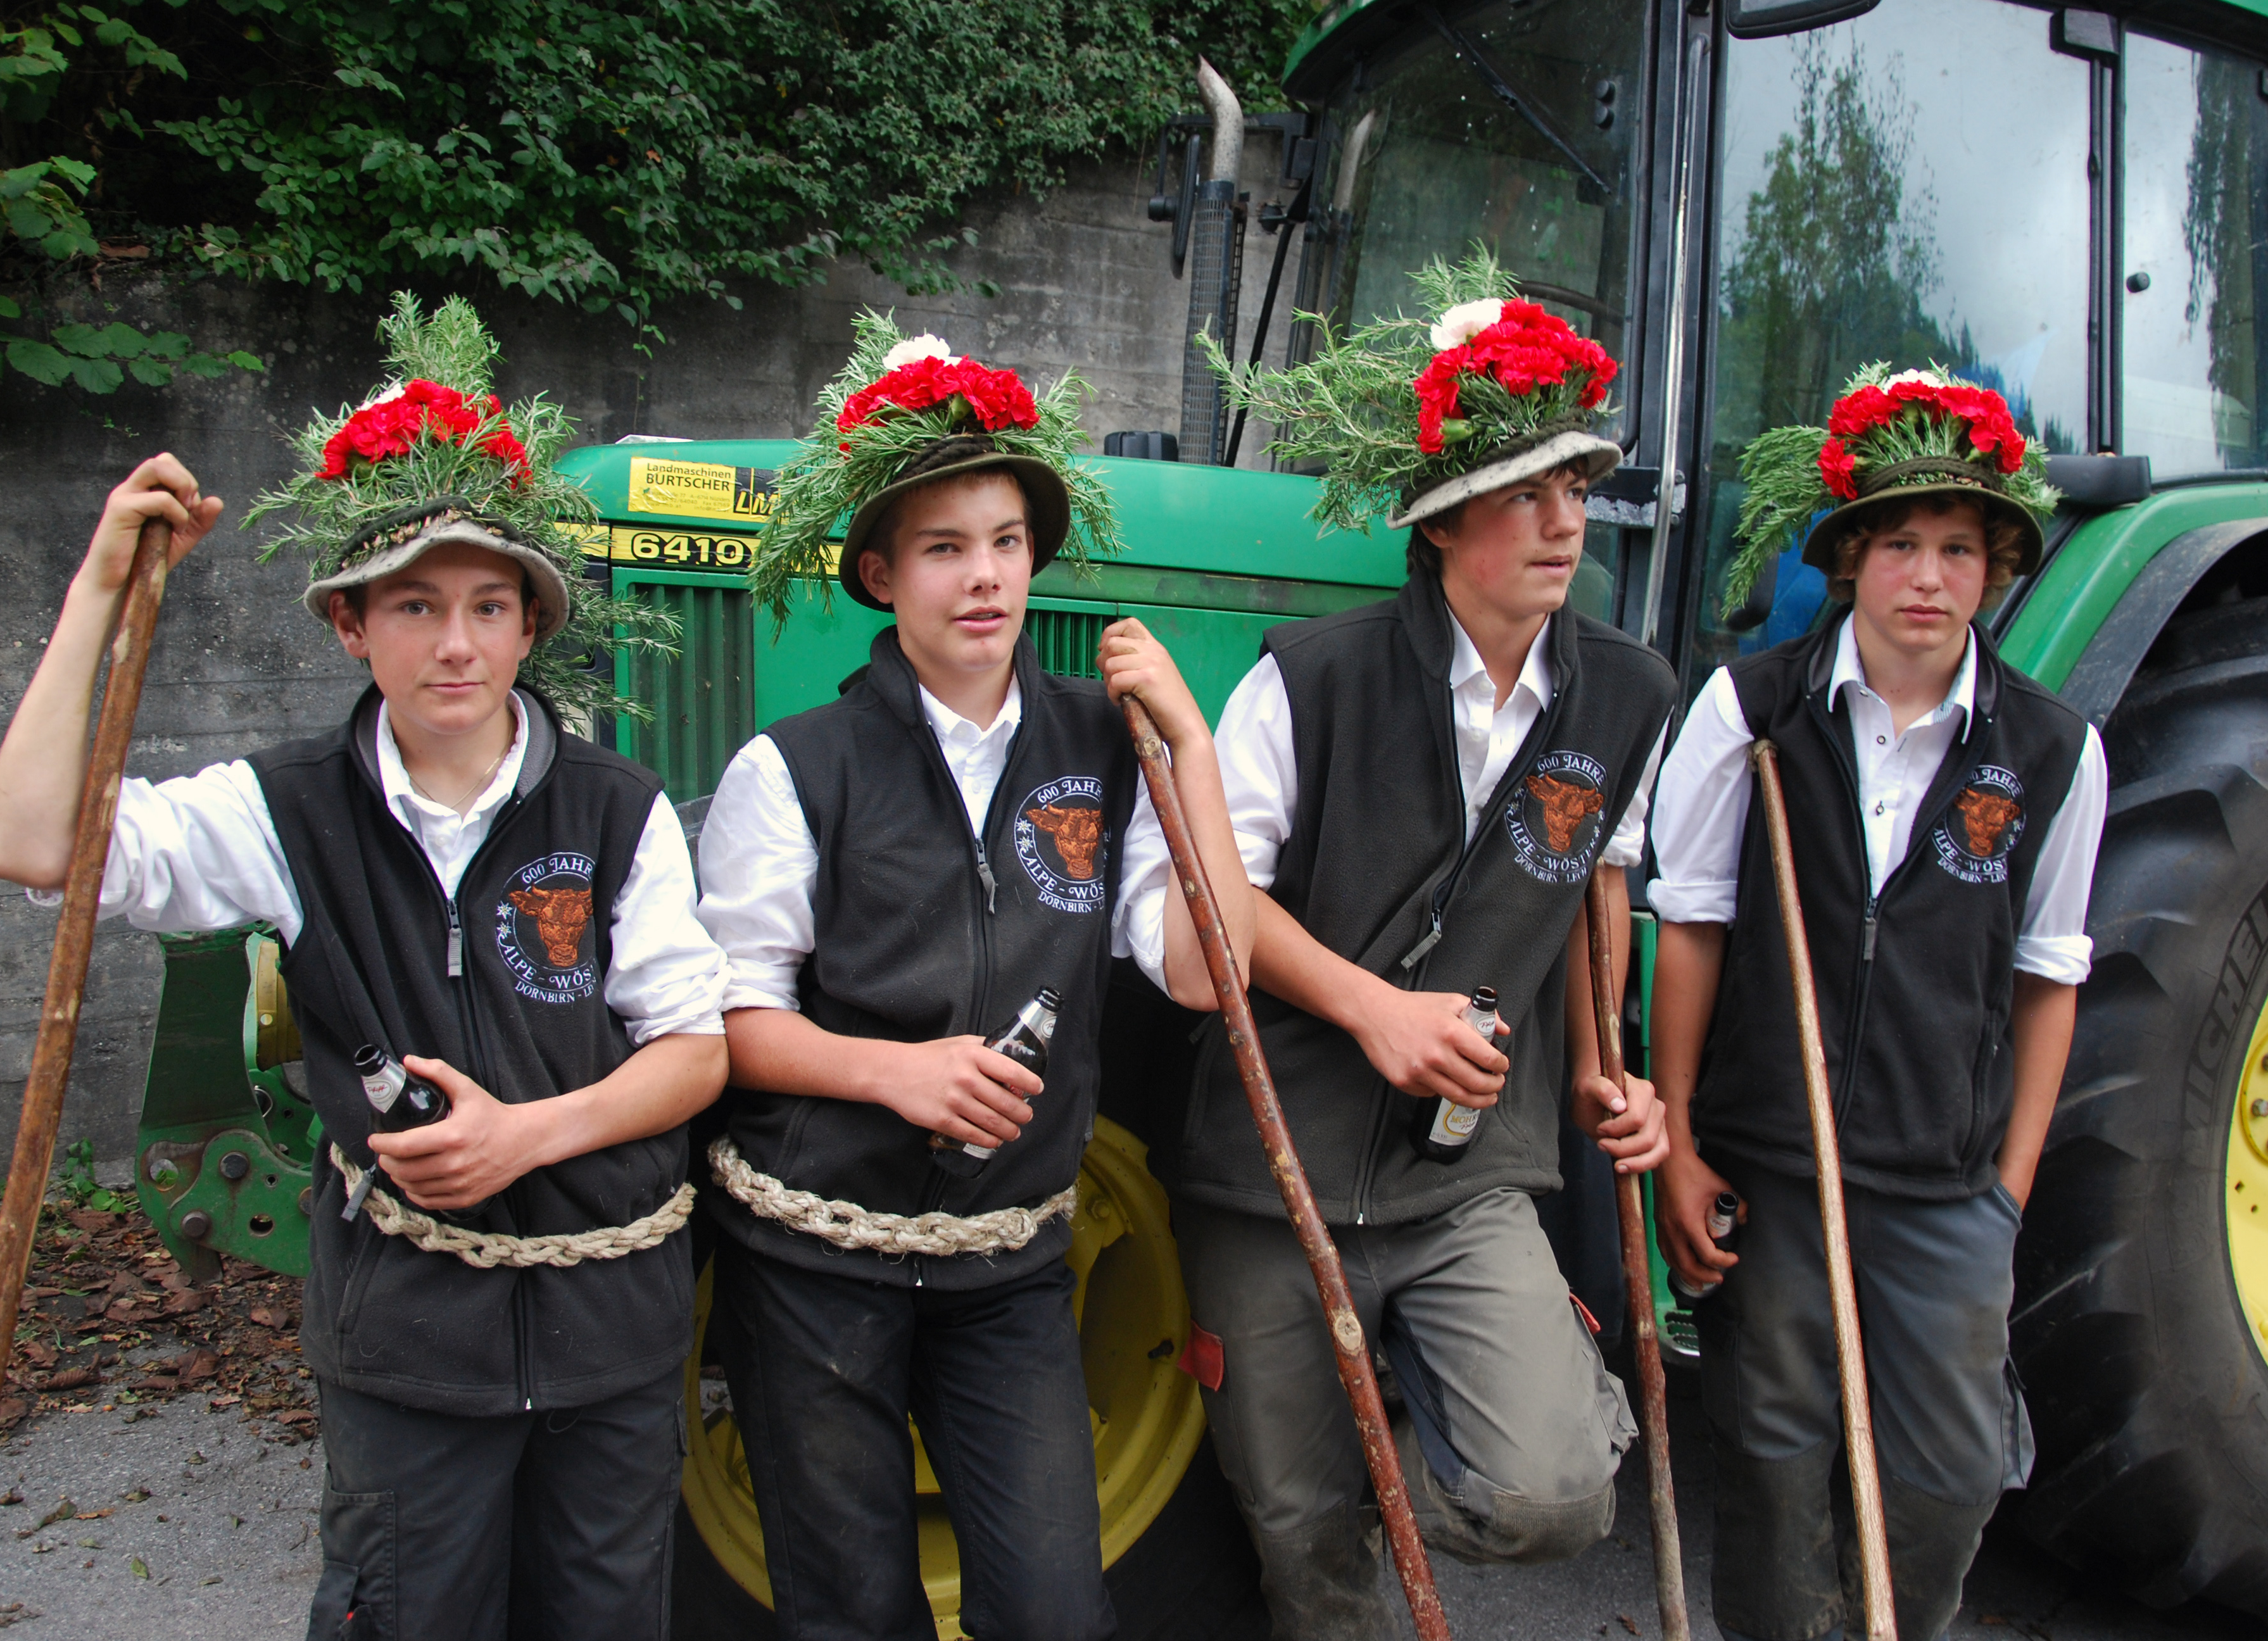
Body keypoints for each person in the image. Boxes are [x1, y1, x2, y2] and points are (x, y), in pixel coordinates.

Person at [0, 296, 733, 1641]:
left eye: (489, 607)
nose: (456, 644)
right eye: (415, 606)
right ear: (350, 625)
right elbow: (32, 845)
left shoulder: (617, 810)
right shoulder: (283, 812)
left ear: (529, 627)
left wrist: (526, 1137)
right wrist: (99, 591)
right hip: (409, 1345)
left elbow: (694, 1049)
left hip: (609, 1339)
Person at [694, 318, 1254, 1641]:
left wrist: (1193, 751)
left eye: (1006, 541)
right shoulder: (795, 767)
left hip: (1007, 1265)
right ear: (881, 576)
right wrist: (899, 1073)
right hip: (814, 1260)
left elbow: (1206, 973)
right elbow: (731, 1023)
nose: (985, 576)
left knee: (1057, 1612)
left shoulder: (1105, 749)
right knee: (851, 1613)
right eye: (944, 548)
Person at [1179, 252, 1677, 1640]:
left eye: (1575, 489)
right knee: (1301, 1557)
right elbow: (1213, 910)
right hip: (1272, 1170)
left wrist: (1608, 1065)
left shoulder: (1630, 695)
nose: (1564, 523)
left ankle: (1365, 1469)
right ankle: (1313, 1502)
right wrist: (1375, 1011)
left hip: (1467, 1181)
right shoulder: (1310, 680)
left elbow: (1598, 885)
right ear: (1445, 522)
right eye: (1524, 494)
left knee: (1553, 1496)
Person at [1647, 363, 2108, 1641]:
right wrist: (1678, 1141)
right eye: (1899, 543)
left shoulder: (2052, 750)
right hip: (1774, 1164)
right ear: (1851, 558)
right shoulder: (1752, 712)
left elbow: (2048, 979)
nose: (1927, 577)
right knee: (1774, 1456)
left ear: (1994, 570)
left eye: (1958, 549)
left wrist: (2007, 1193)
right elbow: (1691, 929)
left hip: (1945, 1184)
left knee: (1949, 1480)